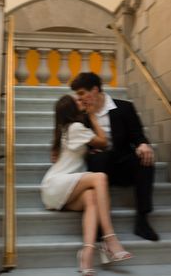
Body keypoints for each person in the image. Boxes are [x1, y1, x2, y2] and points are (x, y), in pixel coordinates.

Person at [41, 95, 132, 276]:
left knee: (91, 197)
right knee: (100, 178)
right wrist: (91, 117)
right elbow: (104, 141)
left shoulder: (66, 129)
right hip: (58, 183)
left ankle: (87, 254)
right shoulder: (75, 127)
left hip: (59, 191)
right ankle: (110, 238)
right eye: (77, 101)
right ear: (71, 110)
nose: (81, 101)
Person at [70, 72, 159, 242]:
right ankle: (99, 222)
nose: (80, 99)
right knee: (98, 158)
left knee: (145, 158)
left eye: (82, 93)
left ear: (95, 90)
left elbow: (138, 135)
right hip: (100, 167)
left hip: (122, 163)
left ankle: (143, 220)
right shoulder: (82, 115)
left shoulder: (124, 108)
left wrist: (143, 144)